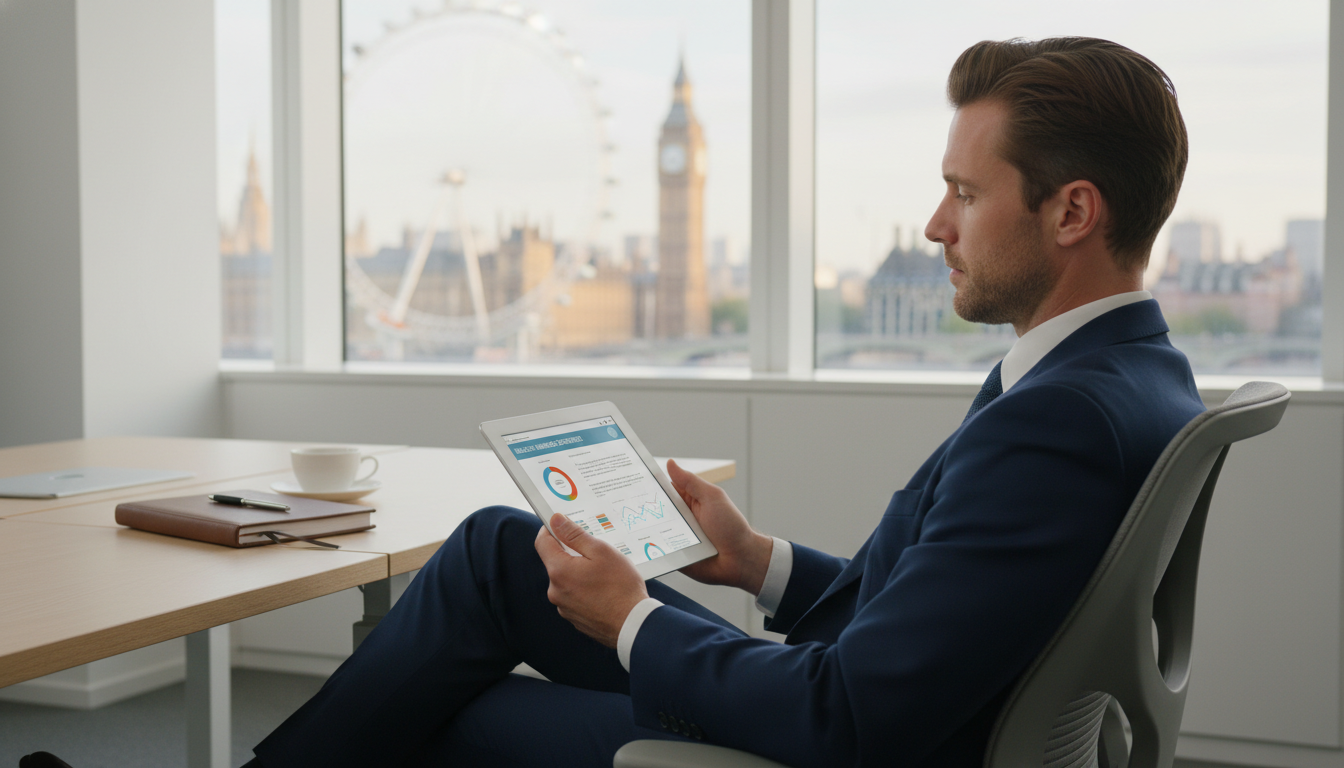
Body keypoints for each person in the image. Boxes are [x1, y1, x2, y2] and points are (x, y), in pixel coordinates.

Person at [20, 36, 1203, 768]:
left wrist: (632, 616)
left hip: (828, 745)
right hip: (876, 706)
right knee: (498, 549)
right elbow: (924, 612)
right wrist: (752, 560)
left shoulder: (1060, 420)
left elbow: (850, 717)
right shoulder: (1122, 378)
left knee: (440, 715)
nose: (937, 224)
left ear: (1072, 212)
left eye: (961, 191)